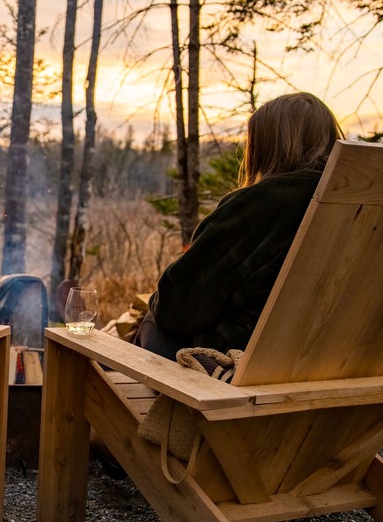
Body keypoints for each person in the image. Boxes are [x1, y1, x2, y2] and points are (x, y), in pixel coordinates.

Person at [137, 92, 344, 360]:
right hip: (327, 356)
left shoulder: (260, 205)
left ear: (266, 147)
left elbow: (176, 309)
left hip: (245, 361)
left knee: (153, 322)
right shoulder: (352, 203)